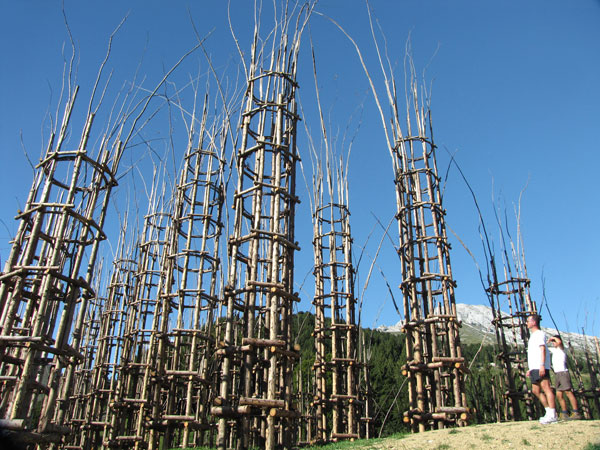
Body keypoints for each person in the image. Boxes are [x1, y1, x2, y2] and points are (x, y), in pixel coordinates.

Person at [525, 314, 557, 424]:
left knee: (546, 388)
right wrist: (531, 368)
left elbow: (542, 350)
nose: (526, 323)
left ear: (534, 322)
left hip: (540, 366)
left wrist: (542, 365)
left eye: (528, 321)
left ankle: (553, 414)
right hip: (534, 367)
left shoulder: (539, 334)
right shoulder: (533, 336)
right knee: (535, 390)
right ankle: (548, 411)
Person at [548, 335, 583, 420]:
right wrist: (548, 342)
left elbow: (559, 342)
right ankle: (564, 413)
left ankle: (576, 412)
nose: (553, 343)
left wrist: (553, 338)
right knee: (559, 394)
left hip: (563, 372)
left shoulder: (562, 348)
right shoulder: (554, 350)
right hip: (557, 373)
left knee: (568, 392)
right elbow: (545, 347)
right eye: (553, 342)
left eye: (554, 341)